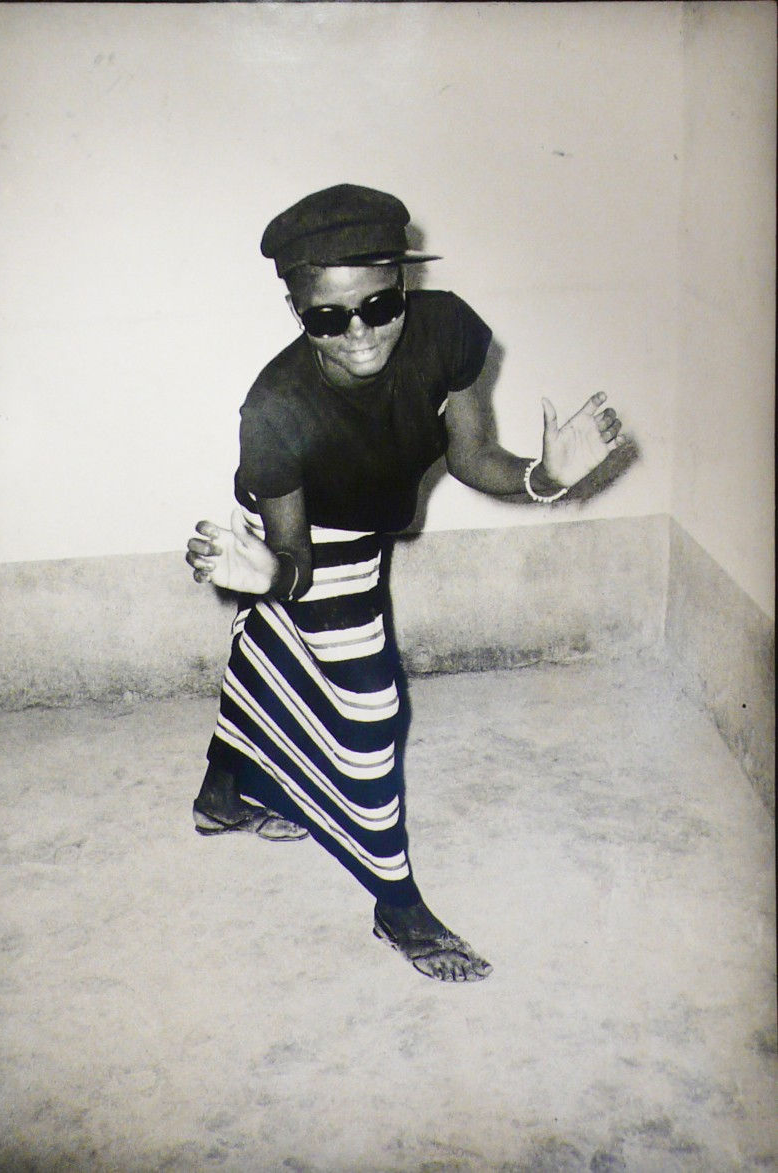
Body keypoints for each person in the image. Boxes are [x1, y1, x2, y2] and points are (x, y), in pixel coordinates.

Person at [186, 184, 624, 982]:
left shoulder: (447, 329)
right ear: (297, 312)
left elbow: (467, 455)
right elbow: (298, 565)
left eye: (378, 304)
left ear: (402, 285)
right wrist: (264, 577)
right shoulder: (274, 408)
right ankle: (398, 904)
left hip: (371, 513)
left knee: (264, 646)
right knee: (369, 706)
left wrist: (542, 477)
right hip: (307, 531)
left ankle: (220, 797)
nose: (358, 333)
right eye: (327, 317)